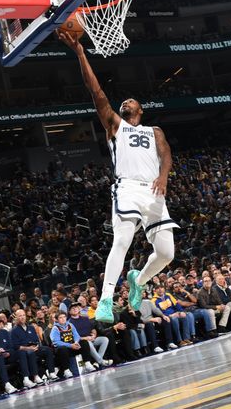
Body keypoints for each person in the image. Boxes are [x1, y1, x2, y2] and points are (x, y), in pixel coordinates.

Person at [58, 30, 178, 322]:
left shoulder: (154, 131)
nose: (126, 102)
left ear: (141, 109)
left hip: (154, 192)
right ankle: (106, 299)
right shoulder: (115, 126)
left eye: (131, 101)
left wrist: (163, 176)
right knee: (121, 242)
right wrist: (80, 53)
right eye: (123, 102)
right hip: (127, 189)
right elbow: (96, 92)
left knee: (166, 254)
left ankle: (138, 279)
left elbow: (167, 156)